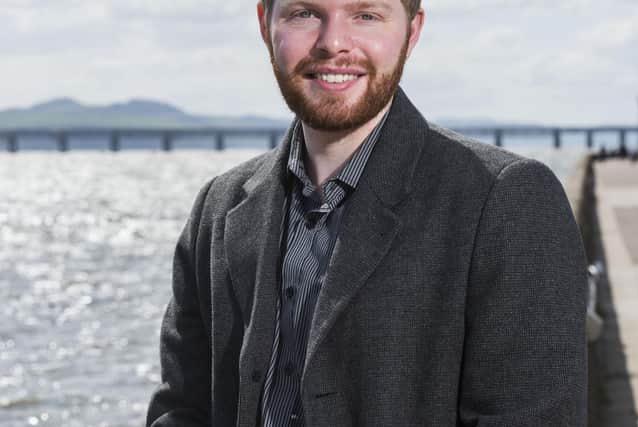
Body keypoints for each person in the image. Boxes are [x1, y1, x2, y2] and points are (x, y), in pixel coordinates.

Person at [146, 0, 588, 425]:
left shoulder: (505, 199)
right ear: (266, 26)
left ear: (411, 32)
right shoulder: (218, 207)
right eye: (304, 13)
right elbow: (181, 408)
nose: (334, 42)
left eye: (366, 15)